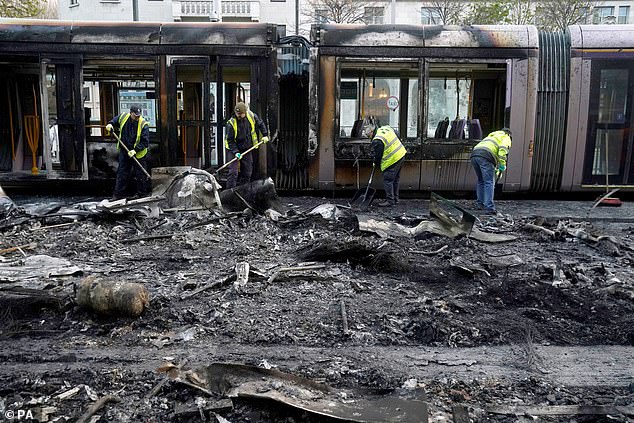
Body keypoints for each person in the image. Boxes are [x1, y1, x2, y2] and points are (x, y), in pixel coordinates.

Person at [105, 105, 150, 200]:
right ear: (130, 113)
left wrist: (135, 150)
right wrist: (110, 124)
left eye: (138, 115)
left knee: (140, 175)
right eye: (135, 115)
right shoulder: (123, 117)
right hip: (125, 151)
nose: (137, 117)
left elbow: (145, 142)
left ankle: (142, 194)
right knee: (122, 173)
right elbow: (115, 120)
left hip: (138, 153)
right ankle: (118, 195)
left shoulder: (143, 124)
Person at [224, 102, 269, 189]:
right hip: (233, 149)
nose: (239, 116)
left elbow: (260, 123)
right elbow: (230, 141)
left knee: (247, 172)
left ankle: (243, 190)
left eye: (241, 114)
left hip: (246, 148)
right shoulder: (231, 124)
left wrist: (265, 135)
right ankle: (229, 193)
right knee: (233, 172)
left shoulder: (251, 116)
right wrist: (236, 152)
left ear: (245, 112)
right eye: (237, 114)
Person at [470, 128, 512, 215]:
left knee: (481, 181)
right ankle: (489, 207)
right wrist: (502, 165)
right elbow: (502, 152)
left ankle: (479, 204)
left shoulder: (492, 135)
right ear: (509, 135)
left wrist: (497, 169)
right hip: (486, 156)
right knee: (489, 182)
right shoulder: (505, 137)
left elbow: (493, 154)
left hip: (475, 154)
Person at [366, 124, 407, 207]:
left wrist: (375, 163)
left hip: (393, 159)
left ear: (371, 132)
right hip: (401, 154)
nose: (369, 138)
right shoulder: (385, 128)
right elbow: (397, 134)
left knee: (388, 180)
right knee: (395, 180)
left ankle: (390, 201)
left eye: (368, 135)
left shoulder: (377, 140)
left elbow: (378, 155)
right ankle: (395, 199)